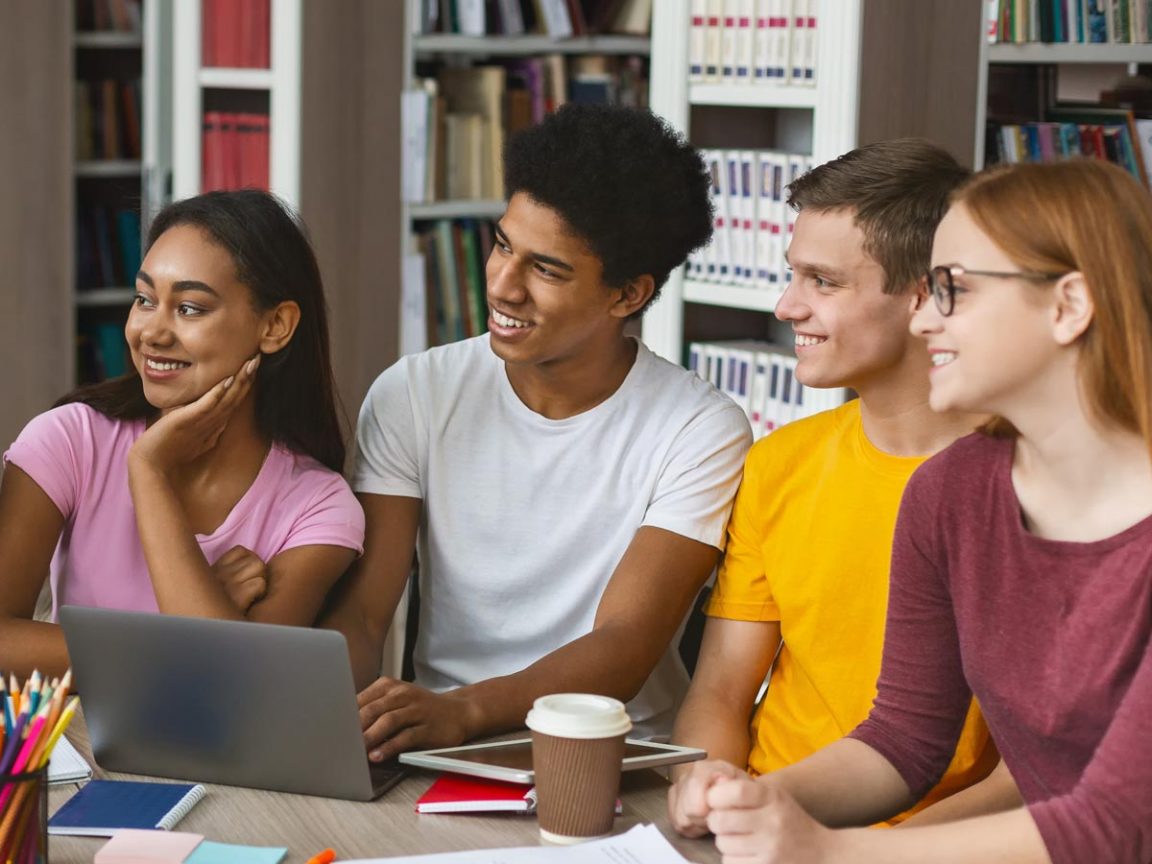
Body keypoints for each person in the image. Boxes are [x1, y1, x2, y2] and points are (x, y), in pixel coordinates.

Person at [684, 159, 1152, 862]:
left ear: (1068, 306)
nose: (924, 316)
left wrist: (830, 853)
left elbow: (1115, 823)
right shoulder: (952, 491)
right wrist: (761, 800)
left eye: (951, 290)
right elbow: (904, 739)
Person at [321, 103, 752, 762]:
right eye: (502, 244)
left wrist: (463, 710)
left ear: (626, 296)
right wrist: (336, 723)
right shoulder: (415, 392)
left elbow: (626, 641)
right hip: (437, 748)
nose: (502, 284)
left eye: (545, 269)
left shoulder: (699, 428)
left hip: (618, 757)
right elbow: (366, 612)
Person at [668, 140, 1005, 833]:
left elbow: (1040, 773)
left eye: (823, 282)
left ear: (923, 296)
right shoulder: (777, 464)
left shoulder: (1025, 482)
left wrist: (870, 855)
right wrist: (704, 783)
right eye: (793, 276)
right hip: (768, 823)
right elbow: (722, 692)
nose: (786, 306)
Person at [0, 190, 363, 677]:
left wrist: (149, 472)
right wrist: (177, 638)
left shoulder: (318, 506)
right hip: (76, 749)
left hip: (208, 754)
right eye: (145, 299)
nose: (151, 332)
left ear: (275, 324)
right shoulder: (69, 440)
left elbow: (235, 687)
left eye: (189, 308)